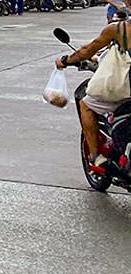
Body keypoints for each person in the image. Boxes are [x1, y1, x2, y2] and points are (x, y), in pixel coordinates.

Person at [56, 19, 131, 173]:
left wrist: (66, 60)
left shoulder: (118, 29)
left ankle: (96, 157)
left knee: (86, 105)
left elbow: (88, 50)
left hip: (125, 92)